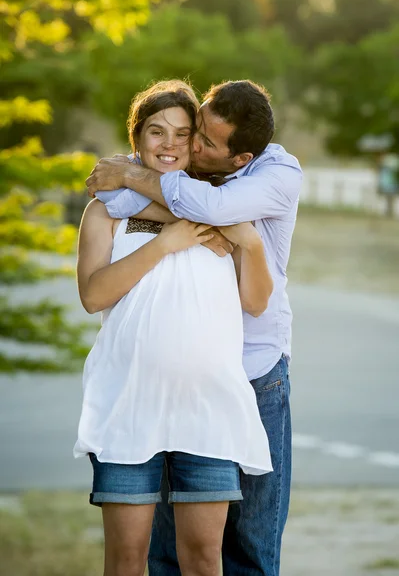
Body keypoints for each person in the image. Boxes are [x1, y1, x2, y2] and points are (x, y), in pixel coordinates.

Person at [87, 79, 303, 576]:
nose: (189, 146)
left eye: (197, 139)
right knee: (161, 553)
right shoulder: (184, 187)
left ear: (240, 158)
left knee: (246, 545)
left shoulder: (268, 180)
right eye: (192, 131)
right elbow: (111, 205)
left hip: (247, 376)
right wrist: (140, 190)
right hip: (146, 396)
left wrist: (243, 240)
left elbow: (214, 215)